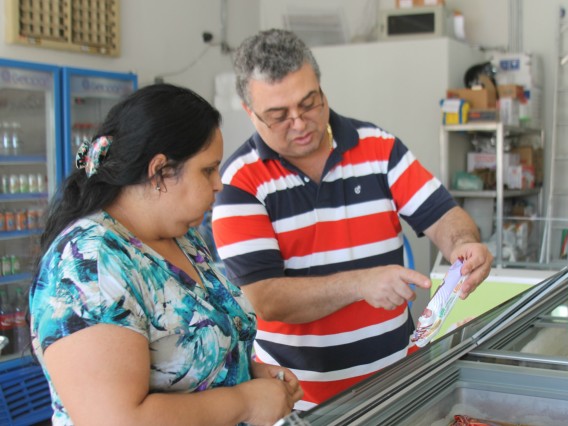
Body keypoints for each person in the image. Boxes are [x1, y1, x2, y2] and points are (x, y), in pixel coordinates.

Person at [211, 29, 493, 410]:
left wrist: (463, 245)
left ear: (322, 89)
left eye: (309, 103)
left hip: (396, 385)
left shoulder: (378, 147)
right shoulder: (238, 183)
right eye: (278, 116)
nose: (299, 123)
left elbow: (442, 214)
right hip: (300, 405)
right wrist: (360, 284)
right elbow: (268, 298)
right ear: (250, 113)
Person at [29, 83, 303, 426]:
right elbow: (115, 420)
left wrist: (249, 374)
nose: (219, 184)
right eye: (208, 170)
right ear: (160, 172)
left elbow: (188, 358)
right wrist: (244, 402)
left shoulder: (182, 237)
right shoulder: (89, 263)